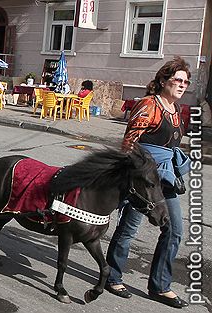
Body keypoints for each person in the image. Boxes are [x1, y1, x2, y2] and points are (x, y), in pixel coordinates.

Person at [105, 57, 191, 309]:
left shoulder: (176, 109)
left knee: (174, 230)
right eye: (178, 80)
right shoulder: (148, 105)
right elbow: (130, 143)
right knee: (129, 228)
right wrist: (133, 174)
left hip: (166, 177)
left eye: (186, 81)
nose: (182, 85)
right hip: (143, 177)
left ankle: (160, 286)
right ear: (163, 80)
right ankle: (112, 276)